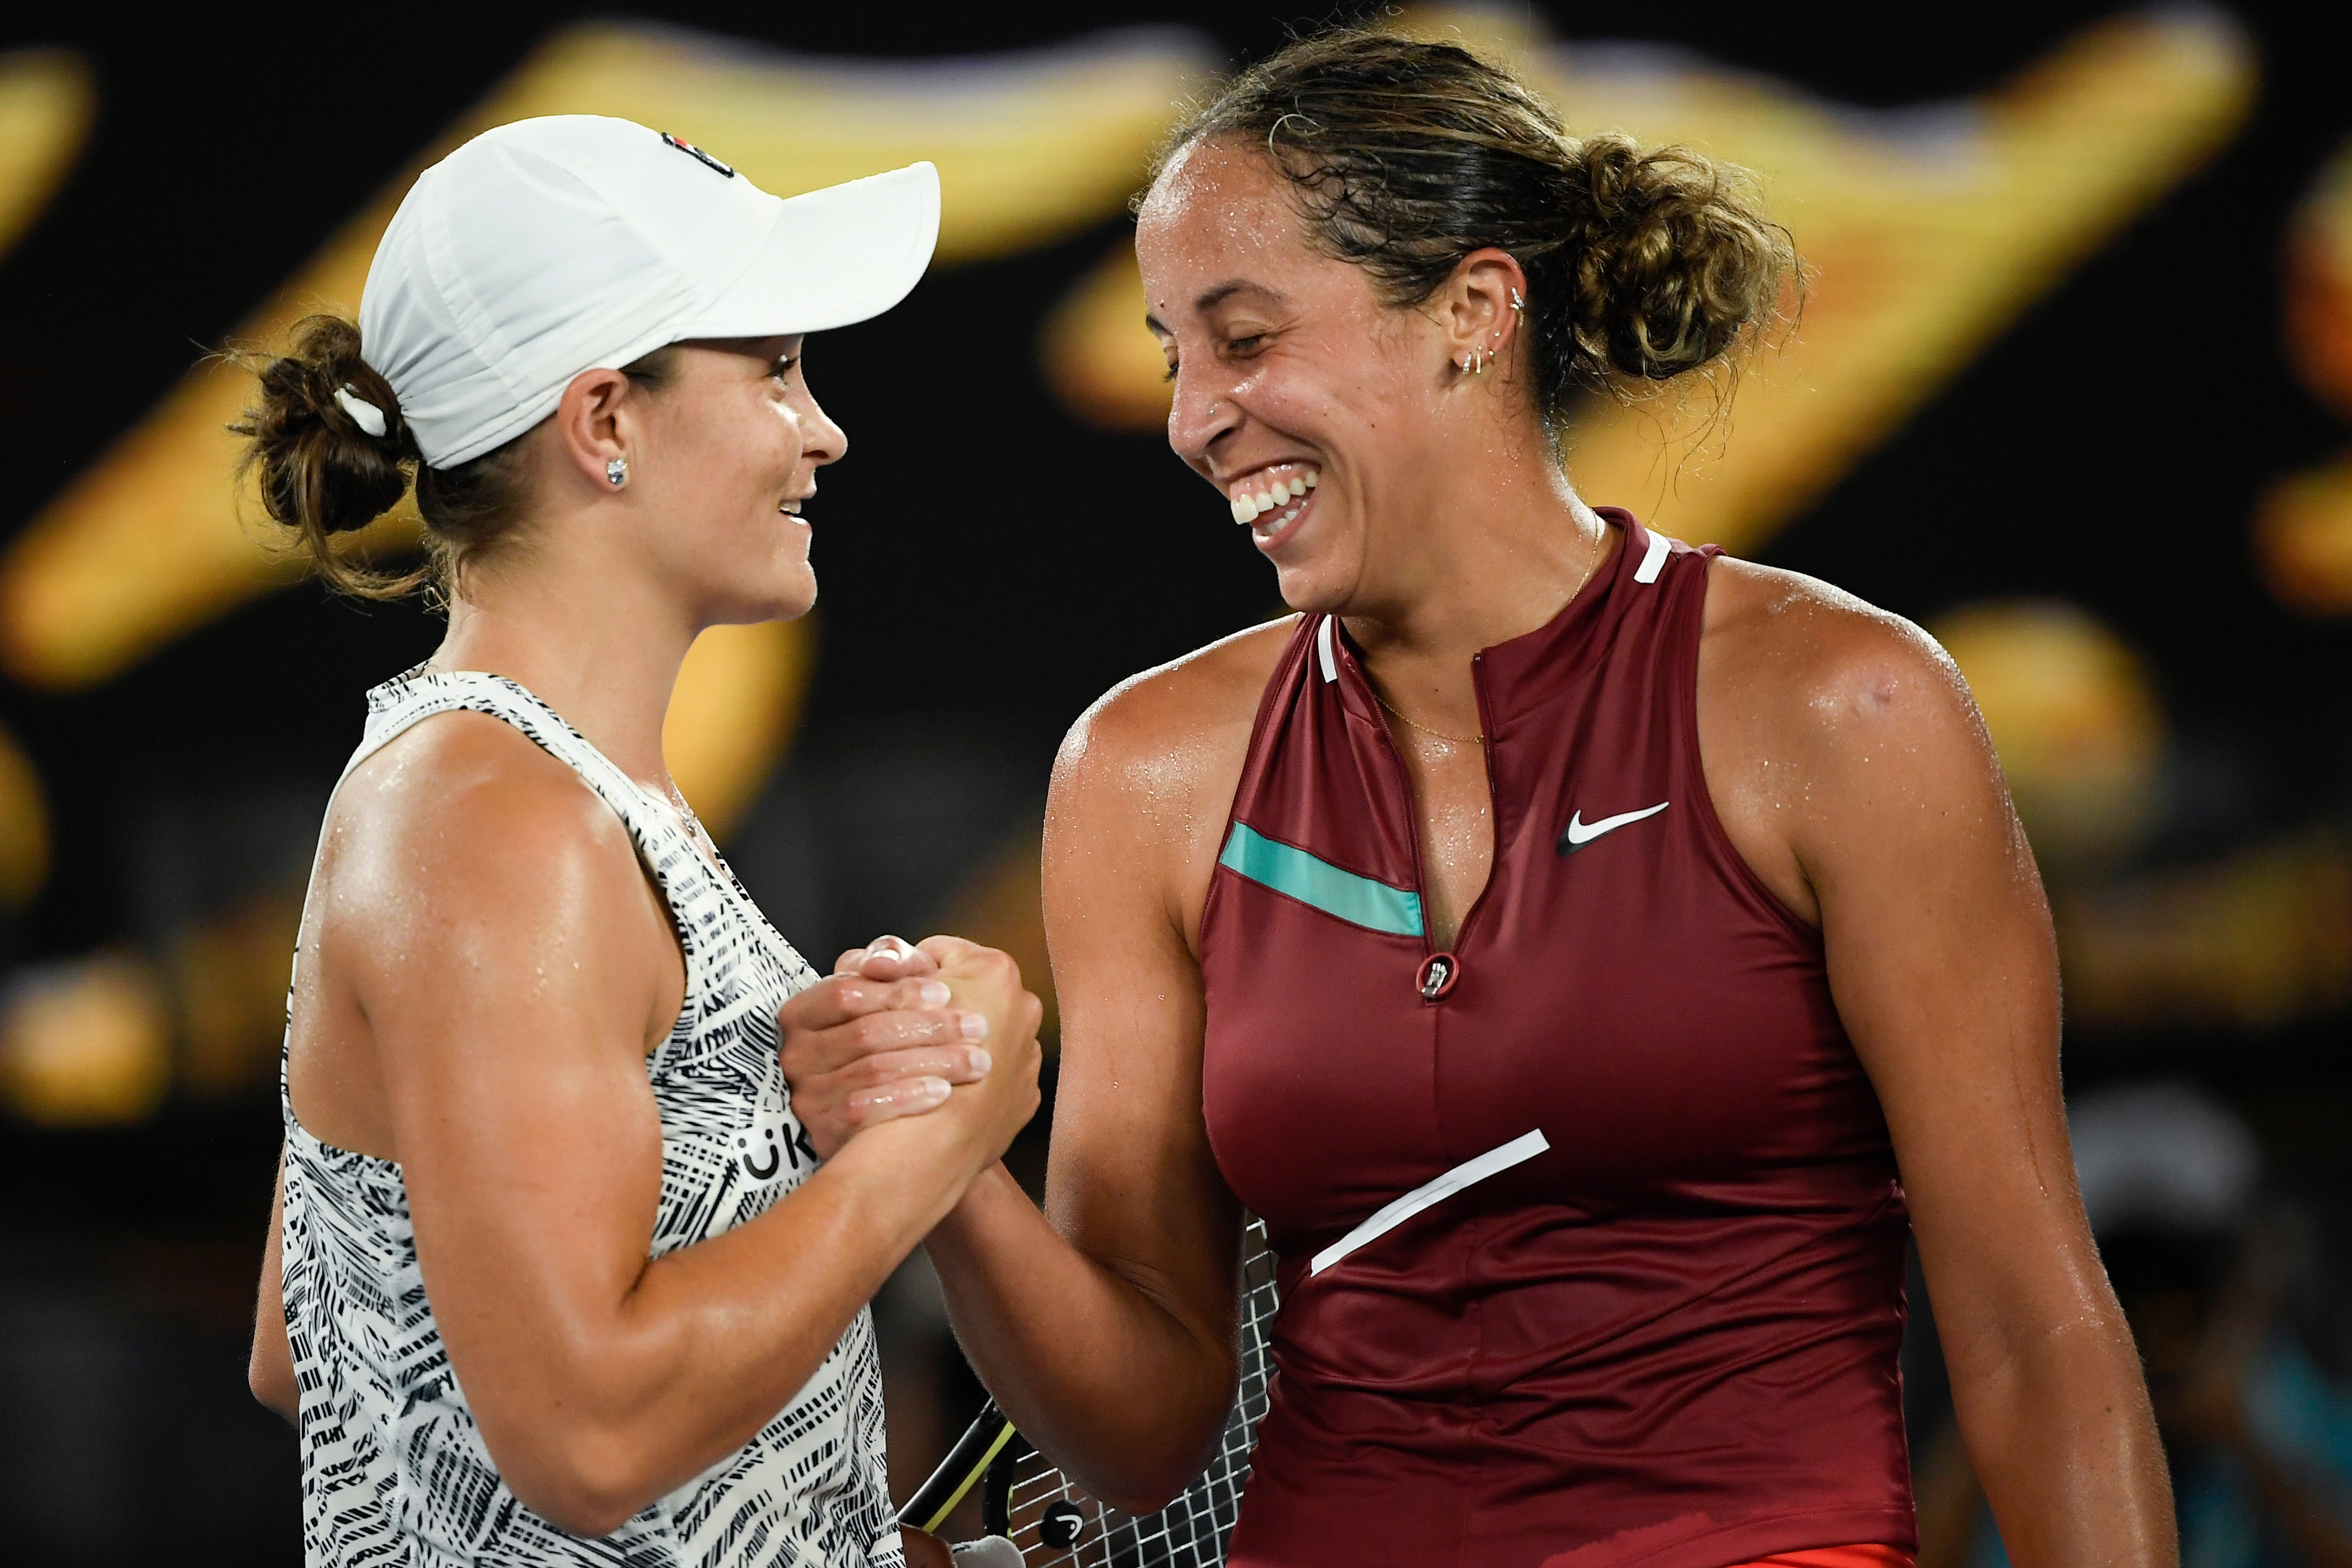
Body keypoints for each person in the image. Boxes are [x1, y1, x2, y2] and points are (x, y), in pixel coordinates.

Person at [782, 29, 2176, 1568]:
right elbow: (1139, 1432)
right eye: (1177, 353)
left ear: (1472, 312)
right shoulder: (1142, 777)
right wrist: (943, 1167)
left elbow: (2038, 1341)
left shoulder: (1844, 706)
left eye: (1244, 339)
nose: (1192, 419)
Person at [238, 115, 1042, 1568]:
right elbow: (588, 1437)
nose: (824, 429)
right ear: (606, 421)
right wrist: (923, 1150)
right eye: (777, 369)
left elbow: (320, 1341)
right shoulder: (493, 826)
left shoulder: (508, 791)